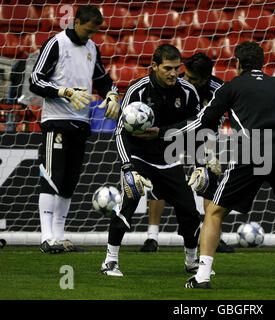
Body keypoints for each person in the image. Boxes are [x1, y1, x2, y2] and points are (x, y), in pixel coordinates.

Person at [149, 41, 275, 289]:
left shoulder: (231, 87)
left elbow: (203, 120)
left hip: (253, 150)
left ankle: (201, 277)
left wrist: (164, 132)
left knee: (214, 212)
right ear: (262, 63)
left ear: (236, 64)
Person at [101, 44, 204, 277]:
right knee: (129, 200)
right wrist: (127, 167)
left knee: (189, 210)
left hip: (169, 158)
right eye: (167, 68)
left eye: (177, 68)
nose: (173, 73)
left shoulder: (187, 92)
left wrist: (200, 161)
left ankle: (191, 261)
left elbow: (198, 125)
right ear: (155, 66)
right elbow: (120, 131)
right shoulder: (137, 91)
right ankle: (110, 260)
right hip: (139, 157)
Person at [29, 5, 120, 254]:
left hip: (81, 122)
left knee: (69, 181)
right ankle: (45, 237)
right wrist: (64, 92)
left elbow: (102, 79)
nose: (90, 36)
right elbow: (35, 80)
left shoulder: (92, 48)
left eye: (95, 32)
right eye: (88, 30)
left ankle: (59, 236)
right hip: (56, 120)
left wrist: (112, 95)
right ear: (76, 22)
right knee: (52, 176)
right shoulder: (56, 43)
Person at [140, 52, 234, 254]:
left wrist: (209, 152)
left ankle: (214, 237)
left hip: (201, 136)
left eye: (192, 78)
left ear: (206, 78)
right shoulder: (177, 82)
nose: (185, 79)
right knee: (159, 182)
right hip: (171, 133)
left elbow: (215, 123)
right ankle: (152, 237)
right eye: (186, 75)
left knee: (209, 180)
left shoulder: (219, 90)